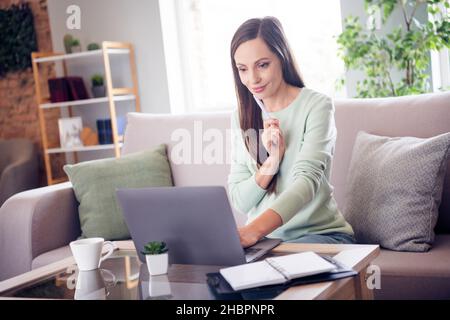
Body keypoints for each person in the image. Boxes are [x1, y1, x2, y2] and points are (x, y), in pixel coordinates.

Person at [228, 16, 355, 248]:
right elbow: (240, 200)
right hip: (265, 243)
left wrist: (252, 231)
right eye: (243, 69)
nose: (252, 79)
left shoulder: (317, 106)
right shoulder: (240, 117)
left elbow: (306, 183)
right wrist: (271, 164)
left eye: (262, 65)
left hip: (319, 236)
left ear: (282, 57)